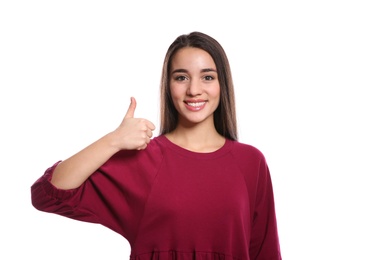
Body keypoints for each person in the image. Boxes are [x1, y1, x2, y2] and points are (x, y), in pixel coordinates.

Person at [31, 31, 282, 260]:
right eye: (181, 77)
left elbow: (265, 252)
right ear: (168, 85)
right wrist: (113, 140)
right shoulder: (143, 159)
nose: (194, 89)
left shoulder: (250, 162)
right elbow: (46, 194)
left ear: (222, 85)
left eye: (207, 77)